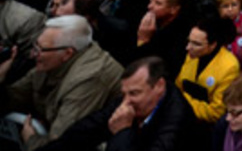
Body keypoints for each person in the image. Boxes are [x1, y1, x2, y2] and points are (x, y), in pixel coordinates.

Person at [0, 15, 124, 150]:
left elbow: (60, 144)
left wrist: (30, 140)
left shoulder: (87, 78)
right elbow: (14, 96)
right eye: (35, 45)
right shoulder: (50, 59)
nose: (33, 54)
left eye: (40, 49)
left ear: (67, 53)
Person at [37, 56, 198, 151]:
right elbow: (88, 128)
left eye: (134, 93)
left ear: (159, 86)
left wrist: (123, 132)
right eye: (124, 94)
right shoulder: (131, 99)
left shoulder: (178, 122)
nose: (125, 102)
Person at [175, 16, 240, 124]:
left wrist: (181, 100)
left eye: (196, 44)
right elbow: (178, 86)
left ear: (213, 45)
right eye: (189, 41)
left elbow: (216, 113)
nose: (188, 47)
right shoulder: (192, 55)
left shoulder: (229, 67)